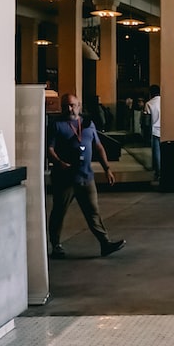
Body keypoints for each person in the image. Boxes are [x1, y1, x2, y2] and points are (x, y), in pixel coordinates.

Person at [47, 94, 125, 259]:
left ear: (79, 105)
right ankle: (56, 245)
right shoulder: (56, 125)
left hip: (85, 177)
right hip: (64, 178)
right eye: (66, 106)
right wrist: (59, 162)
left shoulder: (88, 125)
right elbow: (50, 149)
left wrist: (107, 169)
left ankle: (105, 243)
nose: (70, 109)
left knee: (93, 212)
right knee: (59, 212)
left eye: (73, 105)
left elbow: (98, 147)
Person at [145, 84, 162, 181]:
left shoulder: (149, 103)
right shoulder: (165, 101)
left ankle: (158, 172)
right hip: (165, 130)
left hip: (155, 130)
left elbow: (147, 122)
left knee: (156, 152)